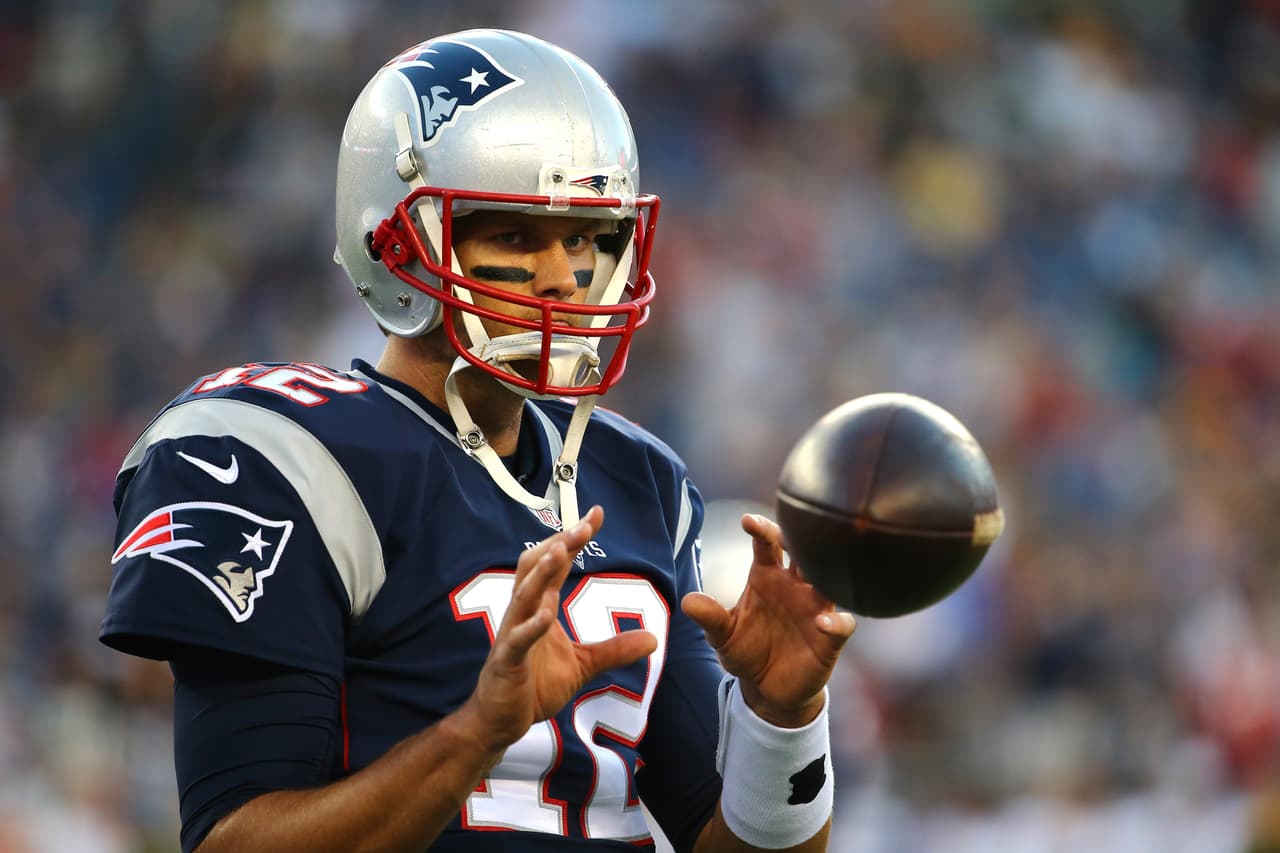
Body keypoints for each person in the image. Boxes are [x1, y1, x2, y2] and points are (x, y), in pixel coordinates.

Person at [100, 28, 855, 853]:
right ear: (397, 241)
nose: (563, 275)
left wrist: (783, 719)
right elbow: (233, 841)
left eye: (585, 238)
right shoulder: (284, 455)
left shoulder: (638, 478)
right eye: (514, 237)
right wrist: (476, 734)